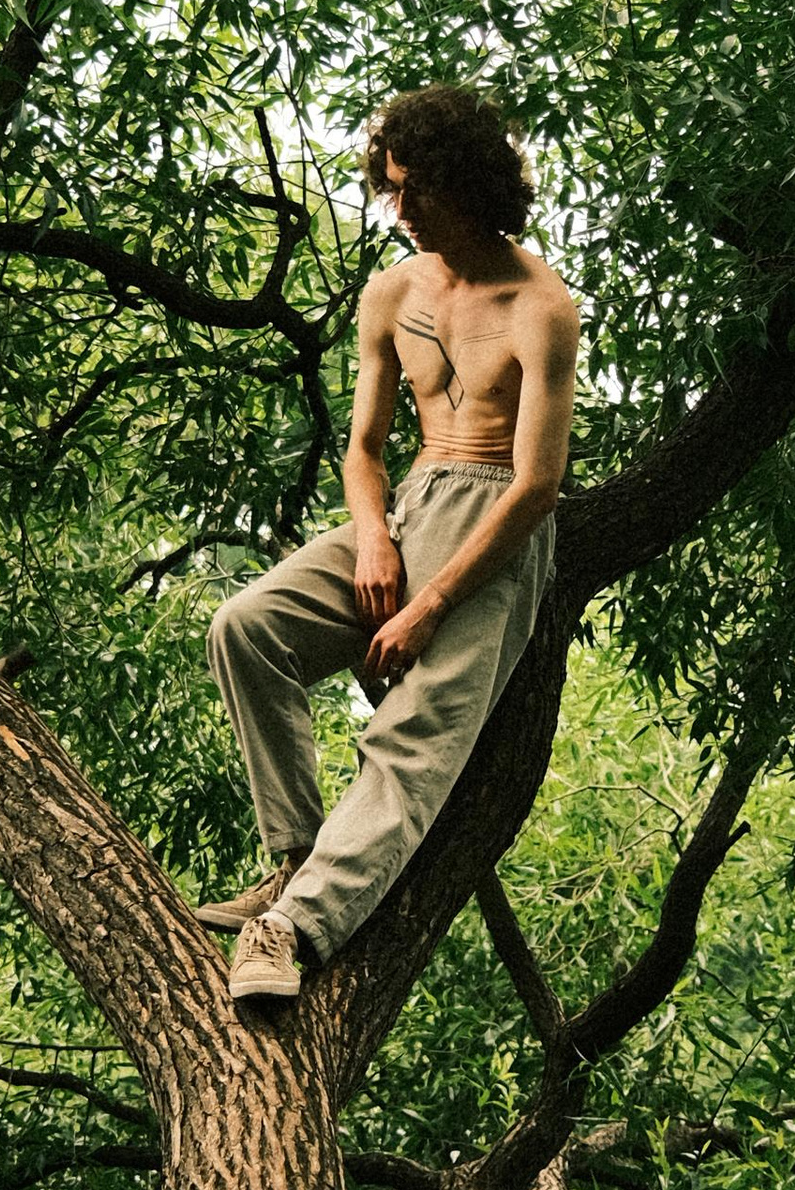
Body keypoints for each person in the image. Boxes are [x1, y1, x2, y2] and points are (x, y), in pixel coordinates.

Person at [200, 84, 580, 1003]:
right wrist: (374, 538)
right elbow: (364, 449)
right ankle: (294, 858)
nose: (399, 208)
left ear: (471, 185)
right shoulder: (393, 291)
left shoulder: (541, 308)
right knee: (247, 628)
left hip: (490, 522)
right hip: (409, 503)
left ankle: (291, 930)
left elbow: (537, 485)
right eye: (391, 187)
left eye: (418, 189)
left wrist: (430, 604)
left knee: (413, 738)